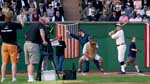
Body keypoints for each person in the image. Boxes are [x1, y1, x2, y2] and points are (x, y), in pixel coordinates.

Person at [0, 11, 24, 82]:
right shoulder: (14, 24)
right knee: (13, 63)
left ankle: (3, 78)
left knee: (4, 63)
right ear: (12, 17)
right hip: (12, 45)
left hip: (4, 45)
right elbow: (22, 26)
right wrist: (21, 18)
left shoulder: (1, 25)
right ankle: (13, 78)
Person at [24, 17, 48, 82]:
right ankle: (31, 78)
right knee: (32, 62)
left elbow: (25, 35)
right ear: (43, 22)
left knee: (29, 63)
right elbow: (41, 31)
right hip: (33, 44)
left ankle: (30, 78)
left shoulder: (32, 25)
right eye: (45, 23)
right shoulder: (40, 25)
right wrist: (44, 41)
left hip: (26, 43)